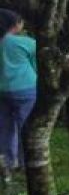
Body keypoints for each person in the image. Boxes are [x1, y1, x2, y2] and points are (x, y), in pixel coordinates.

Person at [0, 9, 37, 185]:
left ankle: (7, 163)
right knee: (26, 126)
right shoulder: (27, 42)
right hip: (25, 88)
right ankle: (25, 163)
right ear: (15, 24)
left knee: (5, 127)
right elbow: (36, 65)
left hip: (2, 90)